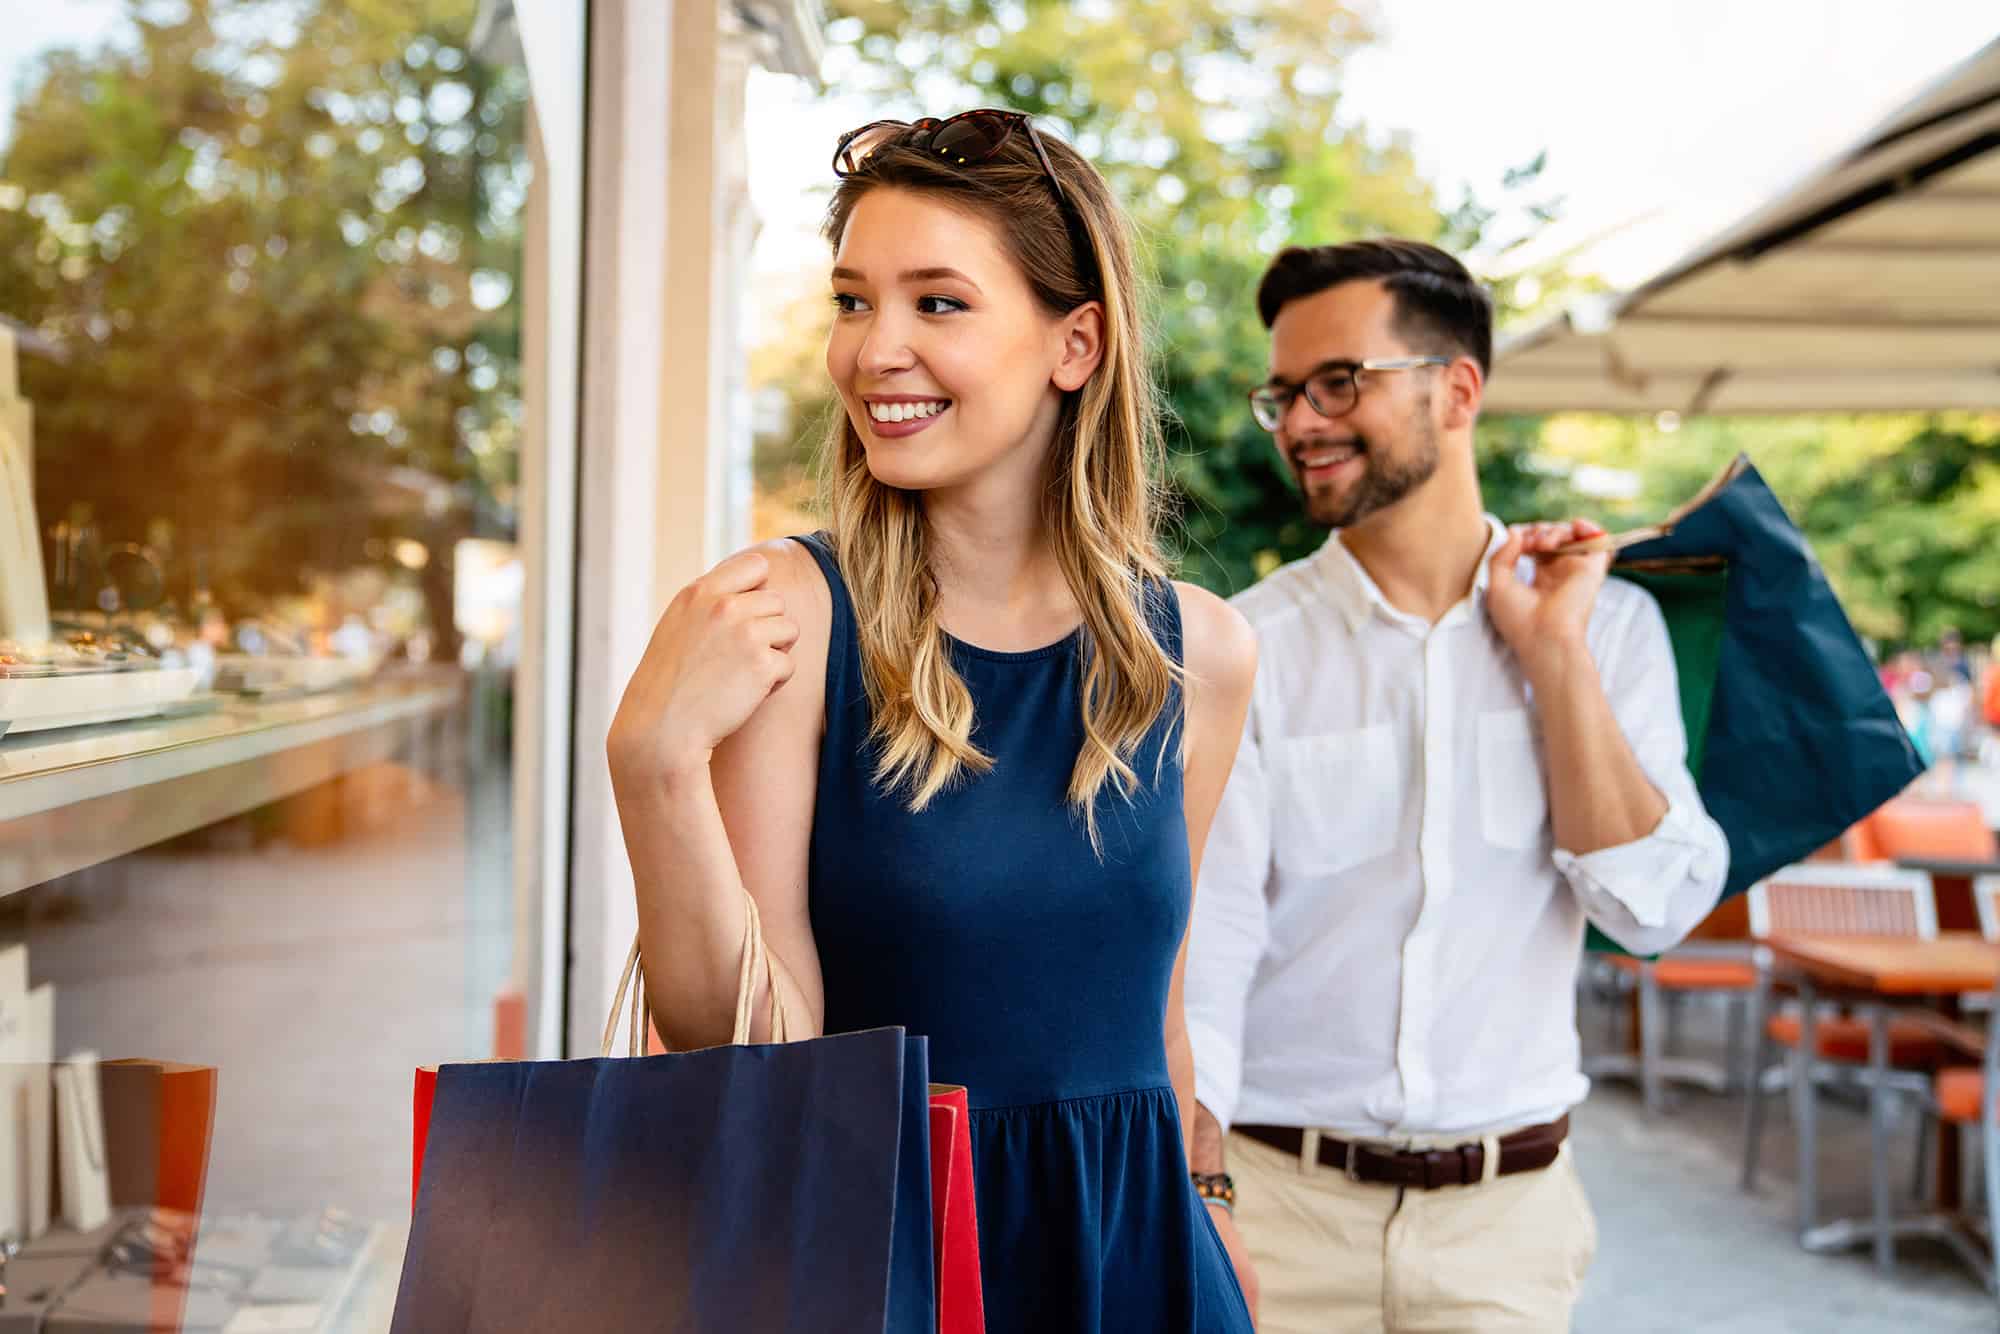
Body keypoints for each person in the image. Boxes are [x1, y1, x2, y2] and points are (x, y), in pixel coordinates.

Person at [606, 110, 1257, 1333]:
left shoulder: (1199, 651)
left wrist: (1203, 1193)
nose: (873, 350)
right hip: (887, 1260)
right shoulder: (793, 617)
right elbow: (744, 1049)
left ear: (1075, 343)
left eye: (937, 303)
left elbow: (1153, 1000)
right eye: (853, 301)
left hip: (1140, 1260)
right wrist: (650, 767)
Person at [1184, 239, 1731, 1332]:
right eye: (1283, 393)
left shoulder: (1608, 628)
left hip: (1505, 1231)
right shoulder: (1248, 644)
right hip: (1280, 1213)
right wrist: (1202, 1196)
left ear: (1457, 388)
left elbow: (1653, 908)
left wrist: (1551, 656)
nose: (1298, 421)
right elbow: (1211, 944)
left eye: (1338, 381)